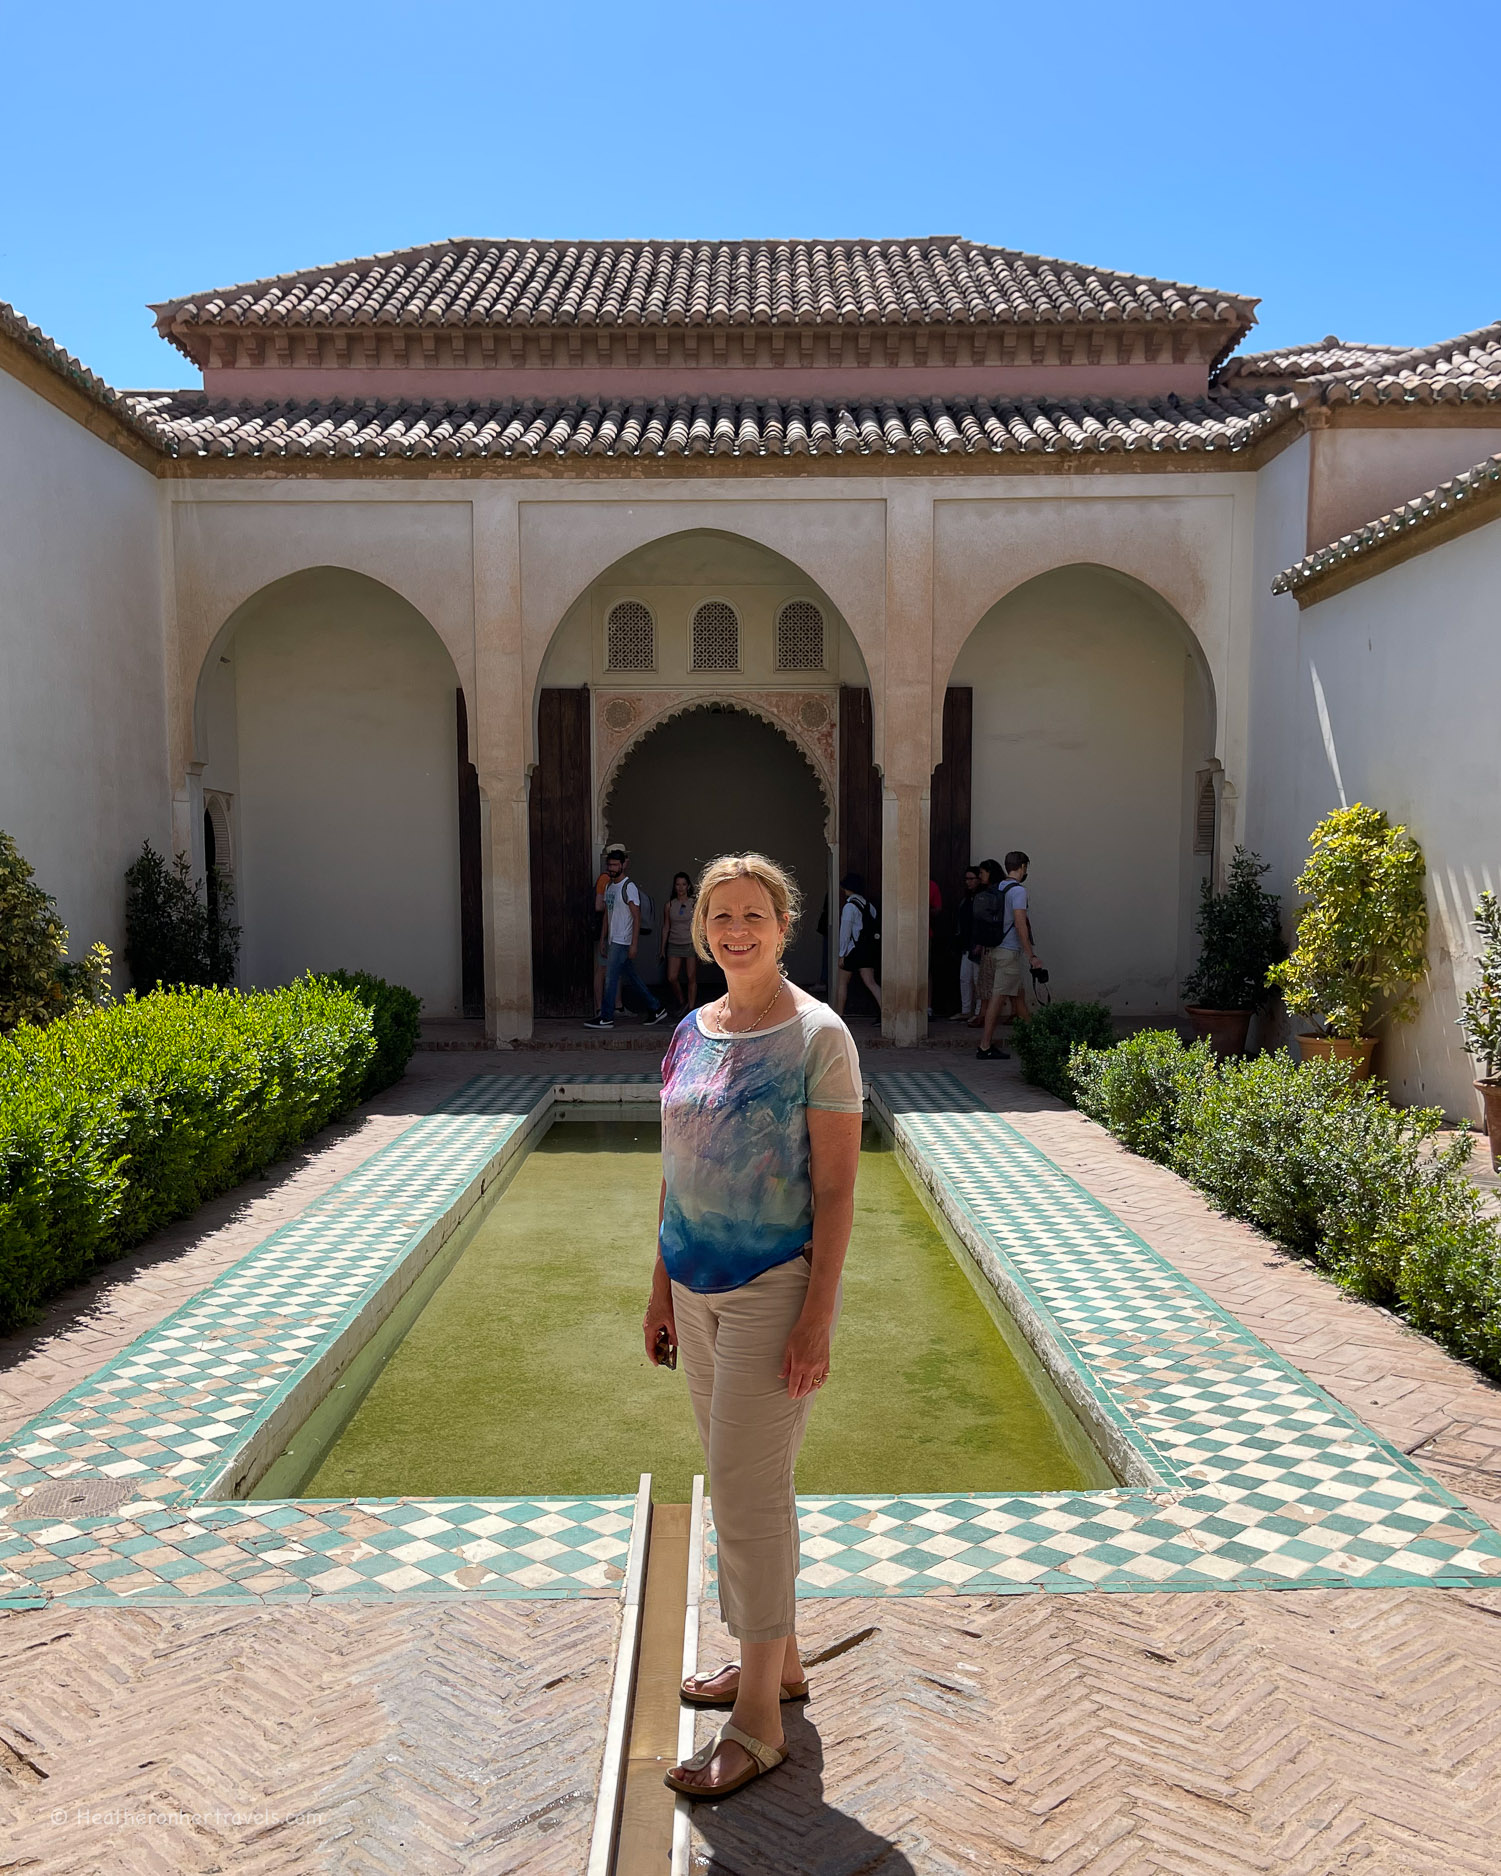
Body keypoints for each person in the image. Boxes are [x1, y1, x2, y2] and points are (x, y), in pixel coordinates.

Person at [646, 853, 863, 1802]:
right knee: (743, 1486)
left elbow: (837, 1187)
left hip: (772, 1287)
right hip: (693, 1287)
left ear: (784, 926)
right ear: (702, 930)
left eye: (754, 916)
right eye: (721, 917)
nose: (736, 931)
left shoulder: (818, 1035)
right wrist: (658, 1288)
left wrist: (818, 1317)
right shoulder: (690, 1030)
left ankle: (759, 1725)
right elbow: (676, 1167)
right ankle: (776, 1660)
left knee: (743, 1493)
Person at [584, 845, 670, 1030]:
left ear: (623, 865)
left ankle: (606, 1016)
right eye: (610, 865)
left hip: (622, 940)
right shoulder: (609, 886)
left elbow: (636, 916)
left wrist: (633, 944)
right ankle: (656, 1007)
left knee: (611, 979)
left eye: (615, 865)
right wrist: (603, 938)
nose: (612, 868)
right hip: (613, 939)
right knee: (632, 977)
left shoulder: (628, 887)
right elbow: (607, 914)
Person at [976, 851, 1041, 1061]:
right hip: (1008, 952)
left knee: (1018, 995)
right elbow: (1020, 924)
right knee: (998, 999)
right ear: (1022, 867)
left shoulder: (999, 887)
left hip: (995, 949)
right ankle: (985, 1045)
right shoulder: (1019, 891)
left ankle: (1035, 1040)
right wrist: (1031, 956)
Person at [833, 873, 881, 1016]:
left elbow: (845, 932)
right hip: (867, 950)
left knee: (842, 983)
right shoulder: (869, 906)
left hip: (852, 950)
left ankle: (839, 1015)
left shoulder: (849, 907)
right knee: (871, 983)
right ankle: (887, 1013)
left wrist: (842, 954)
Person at [659, 870, 698, 1012]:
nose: (681, 888)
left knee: (691, 976)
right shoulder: (670, 905)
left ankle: (691, 1007)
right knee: (672, 977)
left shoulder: (694, 904)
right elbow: (666, 926)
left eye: (683, 884)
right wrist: (662, 948)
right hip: (674, 943)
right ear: (674, 886)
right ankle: (682, 1001)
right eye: (678, 884)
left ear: (688, 886)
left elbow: (699, 925)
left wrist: (701, 945)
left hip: (689, 943)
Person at [951, 865, 981, 1022]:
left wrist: (980, 942)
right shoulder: (966, 899)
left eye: (971, 879)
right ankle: (966, 1010)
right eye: (966, 879)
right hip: (966, 944)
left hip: (976, 944)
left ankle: (979, 1012)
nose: (968, 882)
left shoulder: (981, 898)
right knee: (965, 978)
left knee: (977, 979)